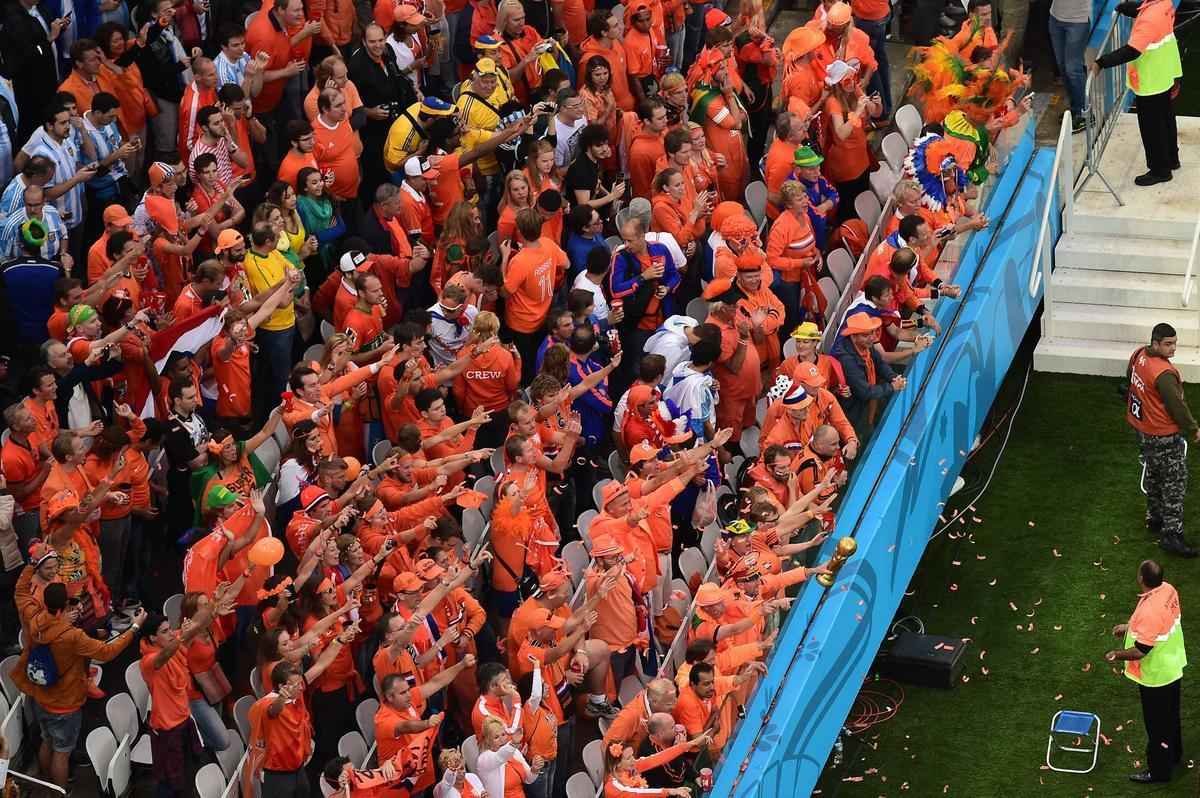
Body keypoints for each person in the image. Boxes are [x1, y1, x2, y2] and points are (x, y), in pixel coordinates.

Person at [13, 572, 148, 788]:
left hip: (41, 697)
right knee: (62, 753)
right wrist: (134, 628)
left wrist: (32, 566)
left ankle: (47, 782)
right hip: (65, 705)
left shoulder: (35, 620)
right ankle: (59, 791)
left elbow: (20, 591)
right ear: (63, 607)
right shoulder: (72, 637)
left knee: (47, 740)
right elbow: (107, 651)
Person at [1105, 560, 1186, 784]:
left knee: (1157, 726)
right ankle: (1175, 755)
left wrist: (1116, 654)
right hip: (1172, 665)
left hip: (1157, 676)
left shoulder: (1151, 610)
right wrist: (1128, 628)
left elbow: (1141, 650)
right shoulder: (1168, 589)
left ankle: (1159, 772)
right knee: (1170, 717)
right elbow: (1153, 625)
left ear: (1141, 579)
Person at [1126, 323, 1199, 557]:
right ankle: (1172, 535)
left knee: (1154, 472)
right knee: (1175, 482)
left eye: (1175, 343)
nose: (1173, 349)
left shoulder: (1139, 355)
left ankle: (1154, 517)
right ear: (1155, 343)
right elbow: (1177, 406)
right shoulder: (1164, 374)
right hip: (1162, 434)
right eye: (1168, 344)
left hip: (1142, 429)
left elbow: (1130, 376)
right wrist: (1193, 428)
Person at [1091, 0, 1180, 186]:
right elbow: (1144, 9)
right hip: (1164, 73)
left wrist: (1101, 62)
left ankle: (1160, 170)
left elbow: (1132, 51)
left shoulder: (1149, 19)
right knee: (1166, 119)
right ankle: (1172, 159)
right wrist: (1127, 8)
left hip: (1150, 80)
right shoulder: (1164, 3)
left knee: (1152, 128)